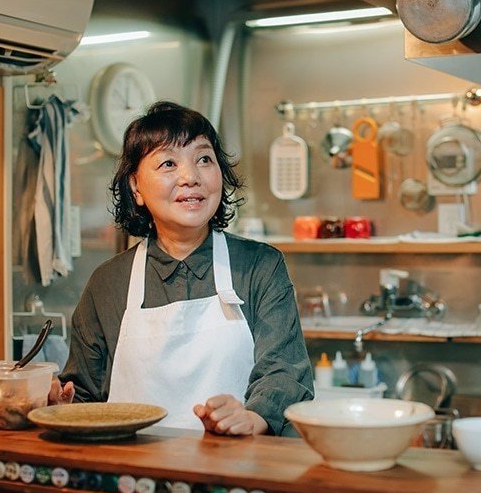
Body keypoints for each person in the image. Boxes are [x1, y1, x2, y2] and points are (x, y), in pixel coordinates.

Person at [49, 101, 314, 436]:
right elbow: (84, 396)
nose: (191, 177)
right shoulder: (108, 283)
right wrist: (62, 406)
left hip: (238, 472)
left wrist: (251, 417)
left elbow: (285, 373)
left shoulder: (259, 266)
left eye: (204, 159)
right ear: (136, 187)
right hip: (132, 478)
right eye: (169, 163)